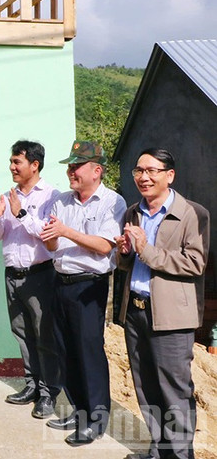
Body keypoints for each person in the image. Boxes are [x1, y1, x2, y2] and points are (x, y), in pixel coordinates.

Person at [115, 148, 209, 459]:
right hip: (136, 310)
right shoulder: (133, 212)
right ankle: (158, 450)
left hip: (171, 317)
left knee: (174, 391)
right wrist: (125, 252)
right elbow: (126, 264)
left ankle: (180, 455)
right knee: (146, 386)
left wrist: (146, 249)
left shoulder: (192, 213)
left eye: (152, 171)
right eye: (139, 171)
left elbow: (194, 263)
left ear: (170, 175)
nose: (144, 177)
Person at [39, 139, 126, 446]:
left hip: (89, 286)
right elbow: (52, 244)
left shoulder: (112, 202)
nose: (71, 172)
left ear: (96, 170)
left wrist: (65, 232)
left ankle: (96, 420)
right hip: (60, 281)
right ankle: (79, 411)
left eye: (77, 166)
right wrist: (52, 237)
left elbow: (103, 246)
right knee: (66, 351)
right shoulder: (62, 201)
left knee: (89, 353)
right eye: (70, 166)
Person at [0, 140, 61, 418]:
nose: (12, 167)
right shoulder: (9, 196)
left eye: (17, 162)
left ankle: (48, 391)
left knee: (44, 335)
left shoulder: (52, 196)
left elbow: (47, 233)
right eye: (11, 161)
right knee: (22, 334)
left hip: (40, 275)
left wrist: (20, 212)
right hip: (12, 275)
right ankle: (31, 385)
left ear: (34, 165)